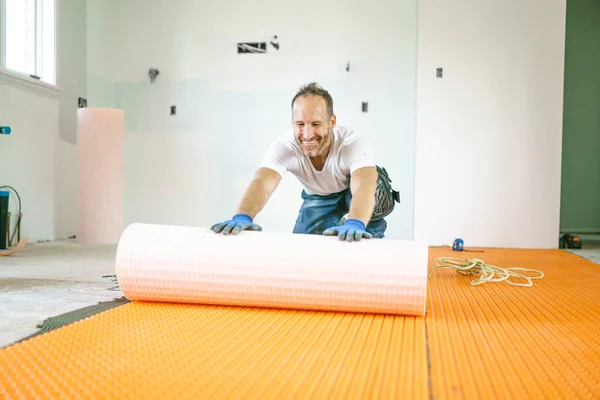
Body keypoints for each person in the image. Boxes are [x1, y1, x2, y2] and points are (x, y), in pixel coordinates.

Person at [211, 82, 399, 241]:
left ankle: (369, 232)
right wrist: (243, 215)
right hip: (318, 198)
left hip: (354, 192)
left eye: (316, 124)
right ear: (293, 122)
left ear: (332, 121)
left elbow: (364, 185)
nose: (308, 134)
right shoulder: (285, 147)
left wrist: (356, 221)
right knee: (302, 249)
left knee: (375, 188)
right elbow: (262, 182)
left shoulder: (352, 144)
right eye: (300, 125)